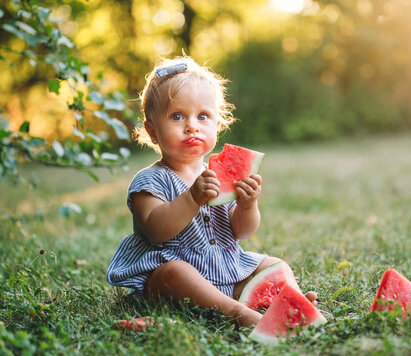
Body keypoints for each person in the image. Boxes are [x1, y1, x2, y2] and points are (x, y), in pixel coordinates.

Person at [107, 56, 317, 327]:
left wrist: (246, 206)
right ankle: (238, 314)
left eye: (202, 116)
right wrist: (192, 198)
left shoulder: (218, 175)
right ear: (152, 131)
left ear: (217, 124)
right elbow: (155, 229)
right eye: (177, 116)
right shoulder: (149, 180)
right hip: (172, 286)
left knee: (274, 265)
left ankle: (293, 302)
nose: (191, 125)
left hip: (225, 272)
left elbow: (241, 231)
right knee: (175, 272)